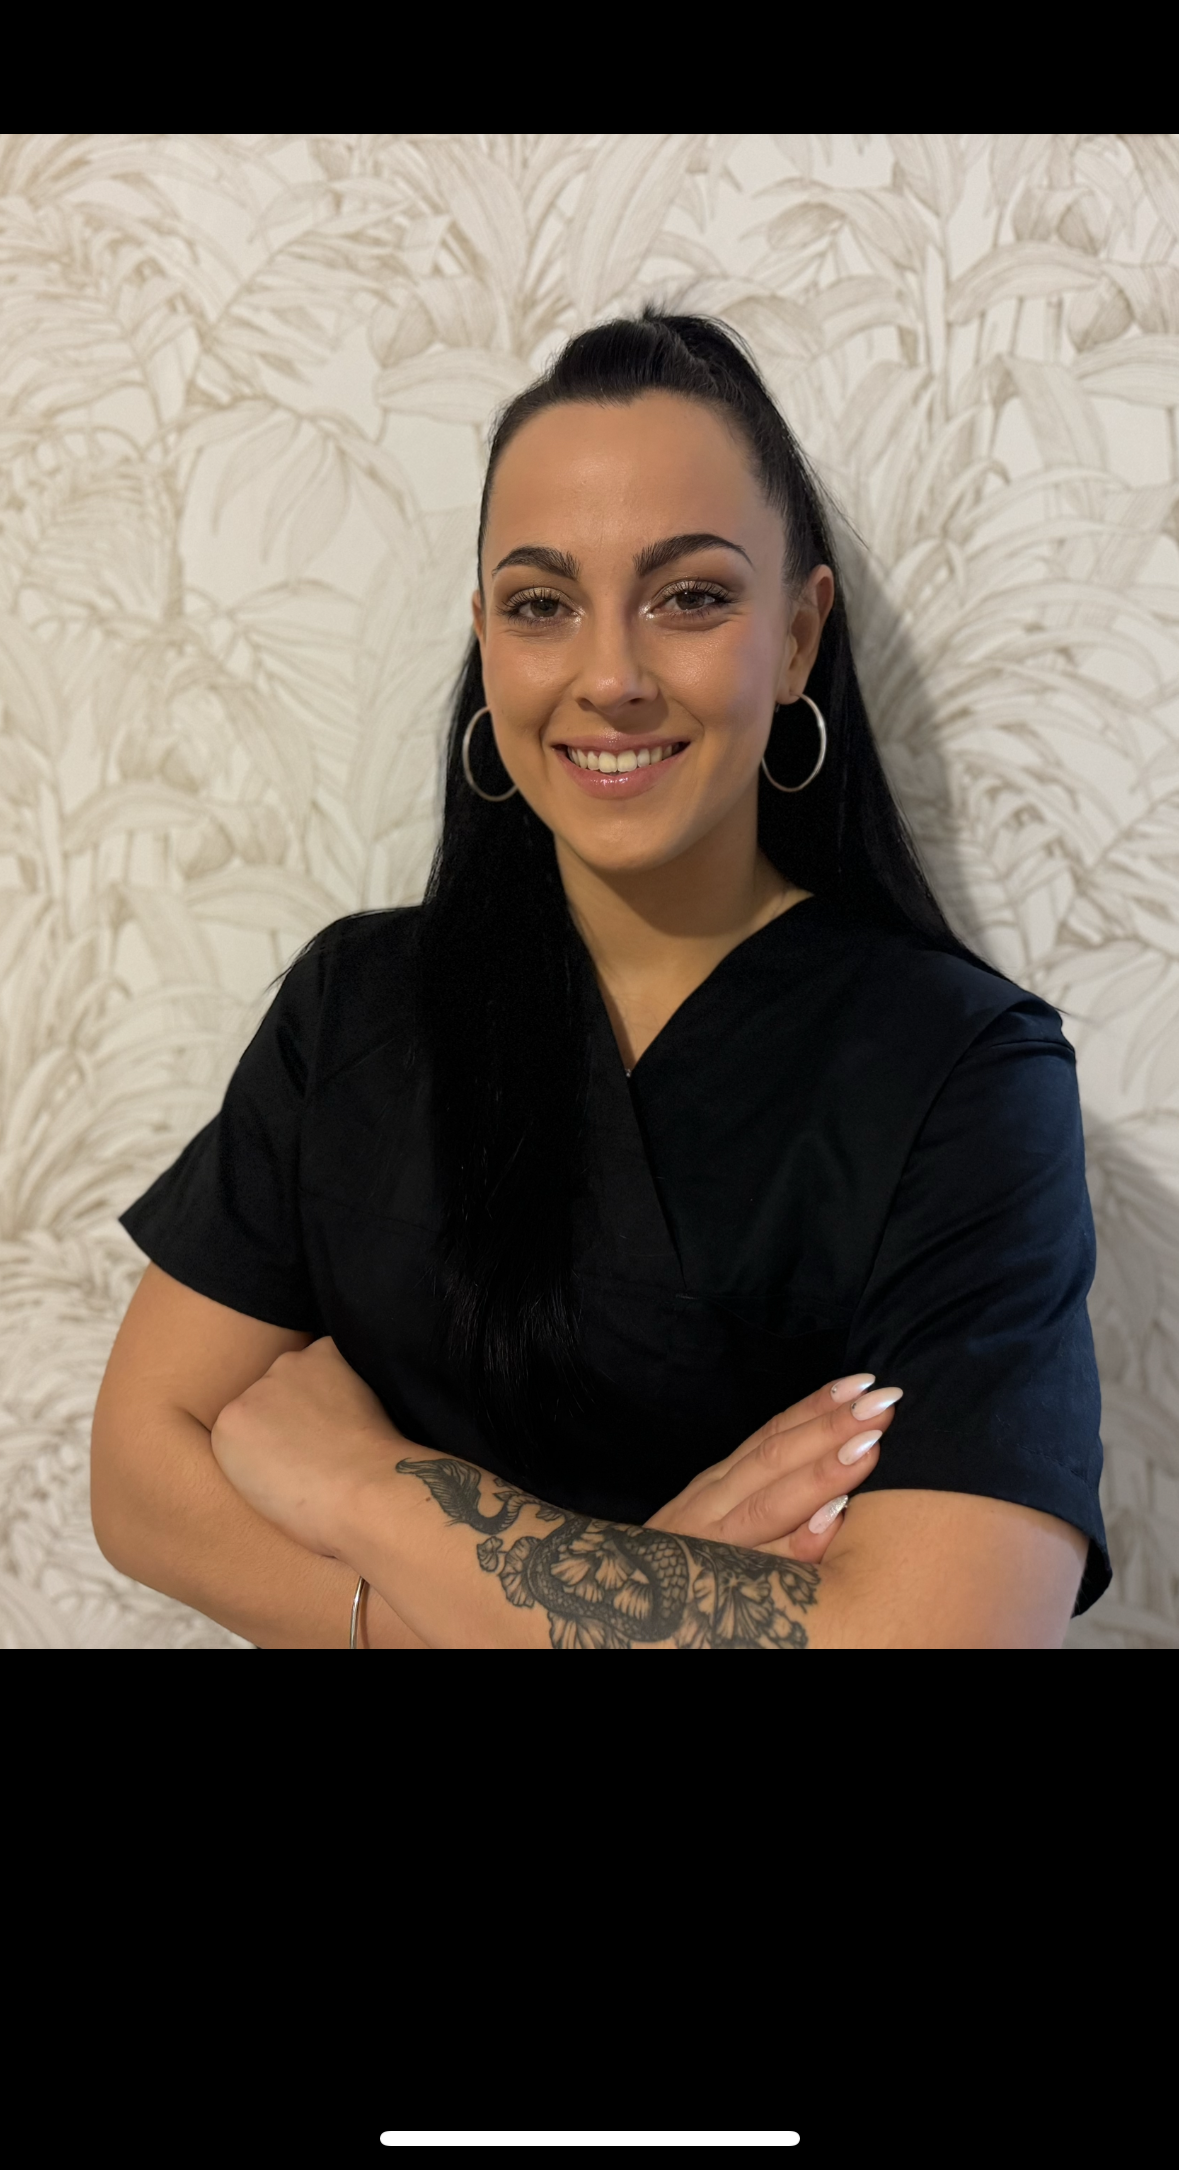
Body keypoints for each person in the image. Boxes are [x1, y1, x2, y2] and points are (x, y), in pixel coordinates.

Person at [91, 309, 1109, 1648]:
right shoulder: (354, 1010)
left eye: (689, 596)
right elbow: (136, 1478)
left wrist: (371, 1488)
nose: (610, 675)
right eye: (540, 604)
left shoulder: (963, 1077)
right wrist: (621, 1594)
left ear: (799, 635)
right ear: (484, 640)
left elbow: (940, 1636)